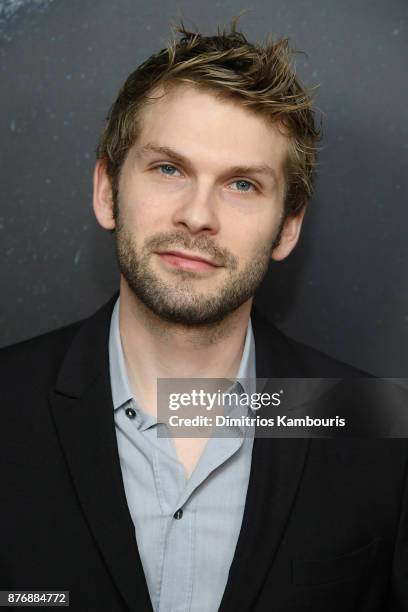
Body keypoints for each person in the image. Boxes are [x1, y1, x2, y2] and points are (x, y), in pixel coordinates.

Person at [1, 19, 407, 612]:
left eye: (242, 184)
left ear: (287, 228)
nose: (197, 216)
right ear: (106, 191)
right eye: (168, 169)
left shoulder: (376, 431)